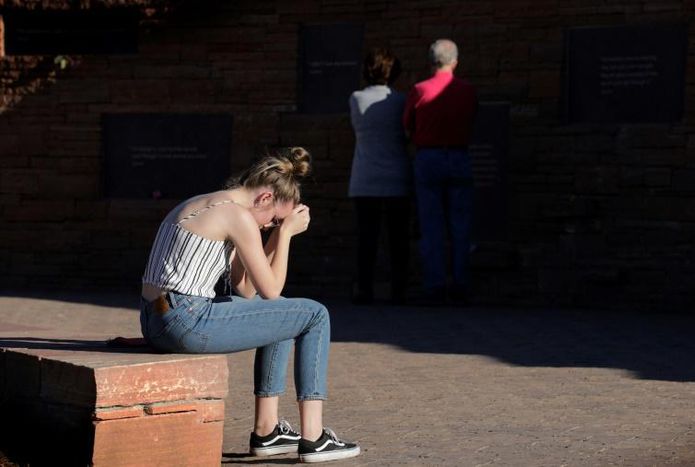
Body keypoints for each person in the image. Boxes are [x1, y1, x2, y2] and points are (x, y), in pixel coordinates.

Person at [139, 147, 361, 463]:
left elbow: (247, 290)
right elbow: (270, 289)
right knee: (315, 314)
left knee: (285, 312)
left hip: (157, 319)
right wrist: (285, 235)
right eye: (272, 219)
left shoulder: (208, 203)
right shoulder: (238, 216)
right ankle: (314, 437)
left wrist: (272, 233)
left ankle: (267, 431)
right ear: (265, 198)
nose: (269, 225)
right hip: (185, 319)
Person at [402, 39, 478, 305]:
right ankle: (460, 284)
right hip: (458, 155)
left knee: (431, 225)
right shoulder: (467, 91)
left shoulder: (419, 90)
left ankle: (435, 286)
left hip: (428, 156)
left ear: (431, 61)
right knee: (460, 224)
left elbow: (408, 125)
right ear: (455, 61)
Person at [348, 47, 412, 305]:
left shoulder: (355, 98)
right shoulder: (400, 100)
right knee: (398, 239)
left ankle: (364, 289)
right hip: (397, 174)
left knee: (366, 239)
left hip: (364, 176)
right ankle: (399, 290)